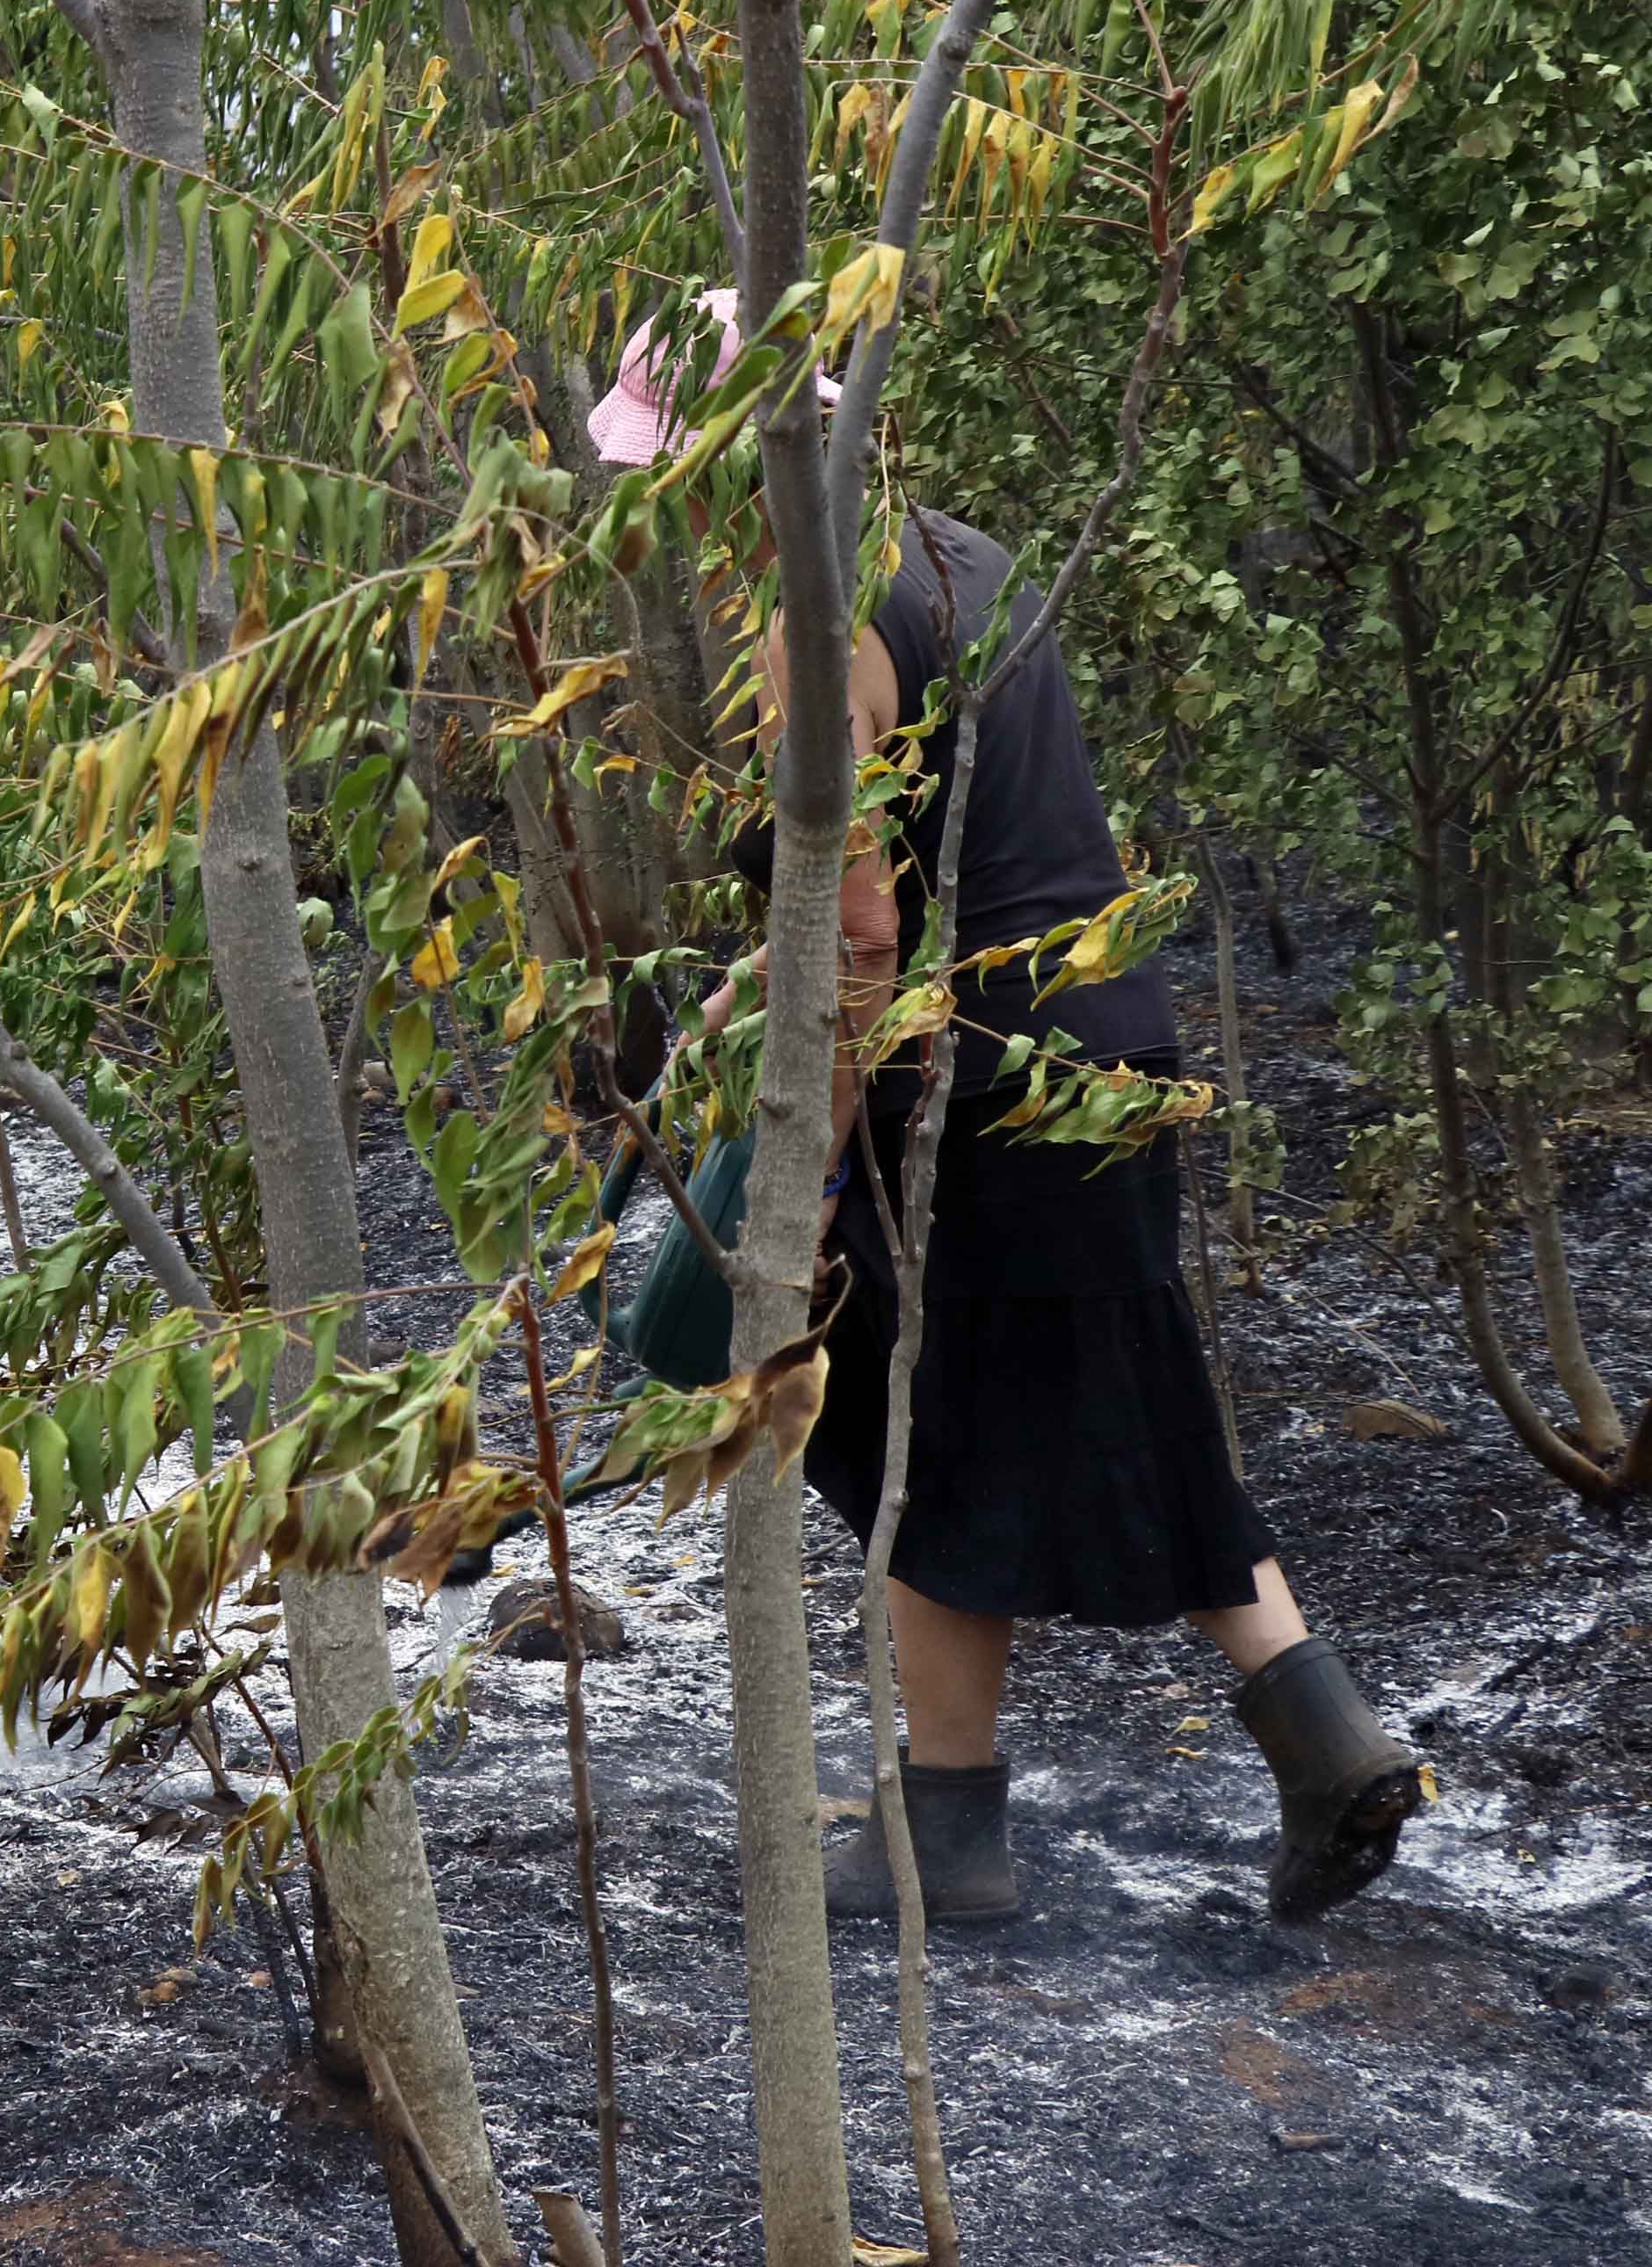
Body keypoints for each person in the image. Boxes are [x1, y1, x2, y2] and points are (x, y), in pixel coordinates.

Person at [591, 304, 1425, 1926]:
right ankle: (1329, 1743)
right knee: (1128, 1404)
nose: (669, 514)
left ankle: (949, 1840)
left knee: (915, 1434)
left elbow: (866, 934)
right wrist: (747, 982)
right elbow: (941, 842)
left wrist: (806, 1159)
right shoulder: (956, 553)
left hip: (968, 1081)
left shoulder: (809, 613)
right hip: (1094, 1042)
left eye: (673, 474)